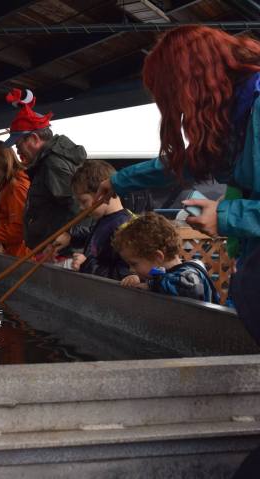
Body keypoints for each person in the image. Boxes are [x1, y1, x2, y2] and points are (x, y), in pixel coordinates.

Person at [94, 26, 260, 339]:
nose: (177, 108)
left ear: (193, 82)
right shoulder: (235, 114)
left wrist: (225, 216)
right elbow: (191, 160)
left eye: (173, 95)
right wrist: (119, 181)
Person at [3, 88, 86, 255]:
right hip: (53, 249)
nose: (19, 152)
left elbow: (76, 205)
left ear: (34, 138)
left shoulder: (52, 164)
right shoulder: (49, 161)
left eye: (19, 146)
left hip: (59, 252)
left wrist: (68, 236)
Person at [112, 213, 220, 303]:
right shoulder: (164, 273)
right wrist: (139, 279)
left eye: (134, 264)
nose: (131, 269)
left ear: (158, 257)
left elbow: (189, 287)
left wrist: (150, 285)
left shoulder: (189, 273)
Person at [51, 160, 133, 280]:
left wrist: (87, 265)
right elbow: (95, 236)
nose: (81, 207)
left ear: (105, 193)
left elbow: (123, 275)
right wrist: (71, 237)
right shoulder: (107, 219)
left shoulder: (125, 229)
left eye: (84, 201)